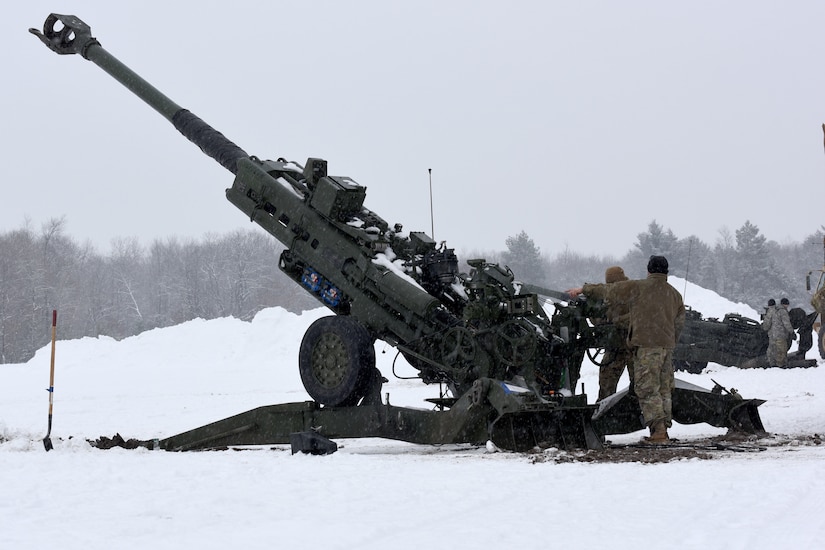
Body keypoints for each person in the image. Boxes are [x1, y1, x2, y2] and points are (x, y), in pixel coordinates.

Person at [567, 255, 685, 443]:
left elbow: (609, 291)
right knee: (663, 388)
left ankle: (659, 433)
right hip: (666, 348)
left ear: (648, 271)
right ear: (666, 271)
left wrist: (583, 289)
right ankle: (662, 429)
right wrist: (669, 341)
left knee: (647, 388)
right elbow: (679, 323)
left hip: (646, 347)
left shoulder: (639, 288)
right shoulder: (675, 294)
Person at [595, 266, 634, 401]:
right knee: (606, 382)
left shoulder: (632, 293)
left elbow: (637, 317)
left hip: (633, 346)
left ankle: (636, 410)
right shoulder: (609, 297)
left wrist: (618, 320)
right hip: (615, 346)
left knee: (638, 384)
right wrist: (593, 313)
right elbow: (600, 321)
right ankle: (604, 409)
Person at [763, 297, 794, 367]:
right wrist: (791, 332)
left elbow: (766, 324)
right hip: (781, 334)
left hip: (772, 335)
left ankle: (772, 364)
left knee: (772, 350)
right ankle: (781, 365)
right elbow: (787, 323)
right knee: (782, 350)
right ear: (785, 304)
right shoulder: (783, 311)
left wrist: (765, 329)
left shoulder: (772, 311)